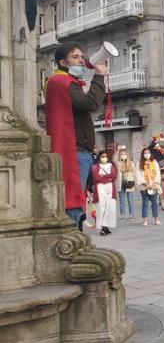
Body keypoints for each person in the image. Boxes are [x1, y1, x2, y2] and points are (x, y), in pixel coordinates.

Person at [44, 42, 107, 229]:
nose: (82, 60)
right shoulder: (63, 82)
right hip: (75, 150)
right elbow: (91, 103)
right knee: (73, 199)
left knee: (76, 197)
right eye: (76, 57)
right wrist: (98, 77)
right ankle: (73, 241)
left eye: (82, 56)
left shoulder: (60, 82)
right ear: (63, 62)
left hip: (78, 149)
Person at [91, 150, 118, 236]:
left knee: (110, 207)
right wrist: (107, 178)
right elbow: (96, 177)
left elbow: (113, 175)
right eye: (102, 156)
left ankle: (106, 226)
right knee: (101, 207)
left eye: (105, 156)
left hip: (110, 187)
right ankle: (102, 227)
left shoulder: (111, 165)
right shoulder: (95, 167)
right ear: (99, 157)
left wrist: (104, 177)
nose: (104, 158)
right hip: (100, 188)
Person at [135, 148, 161, 226]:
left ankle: (156, 219)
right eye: (145, 153)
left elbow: (158, 173)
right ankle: (145, 220)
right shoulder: (139, 163)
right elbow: (138, 175)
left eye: (148, 153)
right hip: (144, 186)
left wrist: (154, 183)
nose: (147, 154)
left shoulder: (154, 162)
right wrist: (146, 184)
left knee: (155, 203)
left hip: (153, 185)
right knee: (145, 203)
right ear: (143, 154)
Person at [116, 147, 136, 220]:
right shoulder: (118, 163)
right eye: (121, 154)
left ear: (127, 155)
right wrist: (117, 150)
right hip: (121, 183)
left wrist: (135, 183)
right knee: (122, 200)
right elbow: (114, 159)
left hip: (130, 183)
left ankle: (131, 214)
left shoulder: (131, 163)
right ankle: (122, 214)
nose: (123, 155)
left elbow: (134, 173)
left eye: (124, 154)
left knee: (130, 200)